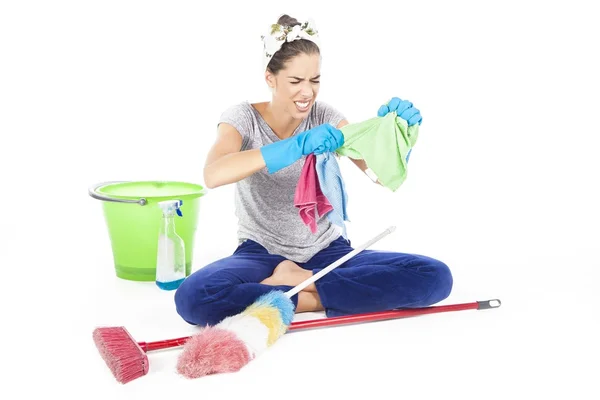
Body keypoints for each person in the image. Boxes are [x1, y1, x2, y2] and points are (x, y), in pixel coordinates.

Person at [174, 14, 453, 326]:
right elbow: (214, 174)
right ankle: (325, 292)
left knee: (435, 277)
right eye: (295, 81)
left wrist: (396, 135)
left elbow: (376, 173)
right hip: (260, 253)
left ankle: (301, 288)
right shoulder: (243, 118)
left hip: (328, 251)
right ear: (270, 78)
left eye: (314, 80)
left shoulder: (325, 115)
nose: (307, 92)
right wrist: (297, 145)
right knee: (193, 298)